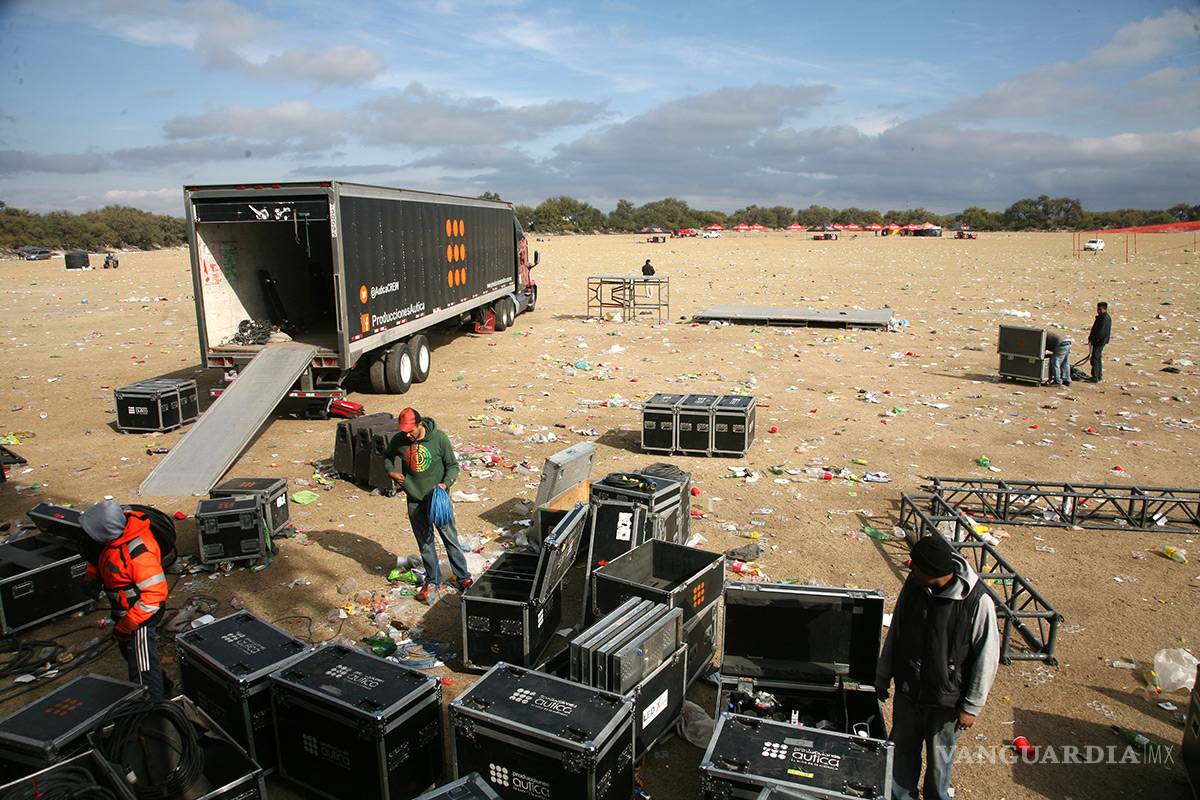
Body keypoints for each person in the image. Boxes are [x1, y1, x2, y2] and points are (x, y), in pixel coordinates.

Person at [876, 535, 999, 800]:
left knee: (939, 762)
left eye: (916, 565)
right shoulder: (914, 586)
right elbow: (896, 631)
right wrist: (883, 675)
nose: (910, 569)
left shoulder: (976, 601)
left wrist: (971, 706)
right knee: (902, 753)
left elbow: (986, 657)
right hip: (909, 690)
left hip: (945, 701)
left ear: (933, 571)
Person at [80, 500, 169, 701]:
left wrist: (129, 624)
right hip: (126, 613)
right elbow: (101, 556)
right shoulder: (114, 540)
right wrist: (92, 576)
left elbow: (154, 595)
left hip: (141, 617)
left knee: (142, 667)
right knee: (130, 652)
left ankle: (153, 708)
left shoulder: (139, 554)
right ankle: (164, 684)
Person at [385, 407, 472, 604]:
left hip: (437, 499)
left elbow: (452, 466)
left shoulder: (439, 439)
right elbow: (388, 457)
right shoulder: (400, 440)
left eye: (410, 430)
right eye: (404, 431)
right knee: (425, 543)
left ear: (420, 424)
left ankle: (463, 577)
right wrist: (391, 471)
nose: (407, 434)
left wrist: (445, 484)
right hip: (414, 499)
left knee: (450, 539)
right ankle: (433, 580)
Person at [1088, 301, 1111, 383]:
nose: (1098, 311)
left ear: (1105, 309)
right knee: (1097, 358)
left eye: (1100, 309)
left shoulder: (1104, 318)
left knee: (1095, 358)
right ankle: (1098, 375)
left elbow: (1101, 332)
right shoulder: (1102, 317)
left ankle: (1095, 377)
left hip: (1099, 342)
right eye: (1098, 309)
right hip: (1098, 341)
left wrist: (1094, 340)